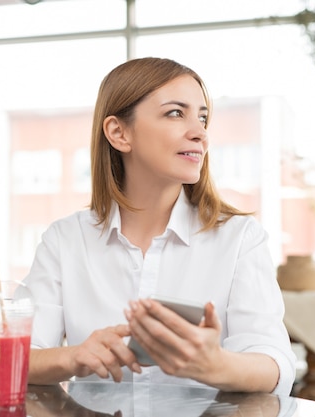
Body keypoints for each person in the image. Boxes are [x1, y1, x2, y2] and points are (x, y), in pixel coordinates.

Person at [23, 57, 296, 396]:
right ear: (119, 132)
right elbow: (18, 360)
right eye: (175, 113)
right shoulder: (64, 240)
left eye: (203, 117)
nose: (199, 133)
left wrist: (214, 364)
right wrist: (74, 357)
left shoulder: (240, 238)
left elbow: (275, 364)